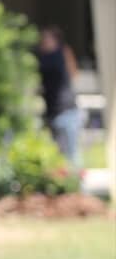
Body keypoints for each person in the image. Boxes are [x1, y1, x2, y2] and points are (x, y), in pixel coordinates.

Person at [36, 26, 83, 167]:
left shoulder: (56, 56)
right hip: (56, 113)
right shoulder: (55, 57)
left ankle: (76, 186)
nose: (41, 44)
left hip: (66, 112)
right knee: (61, 157)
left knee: (71, 156)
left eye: (45, 40)